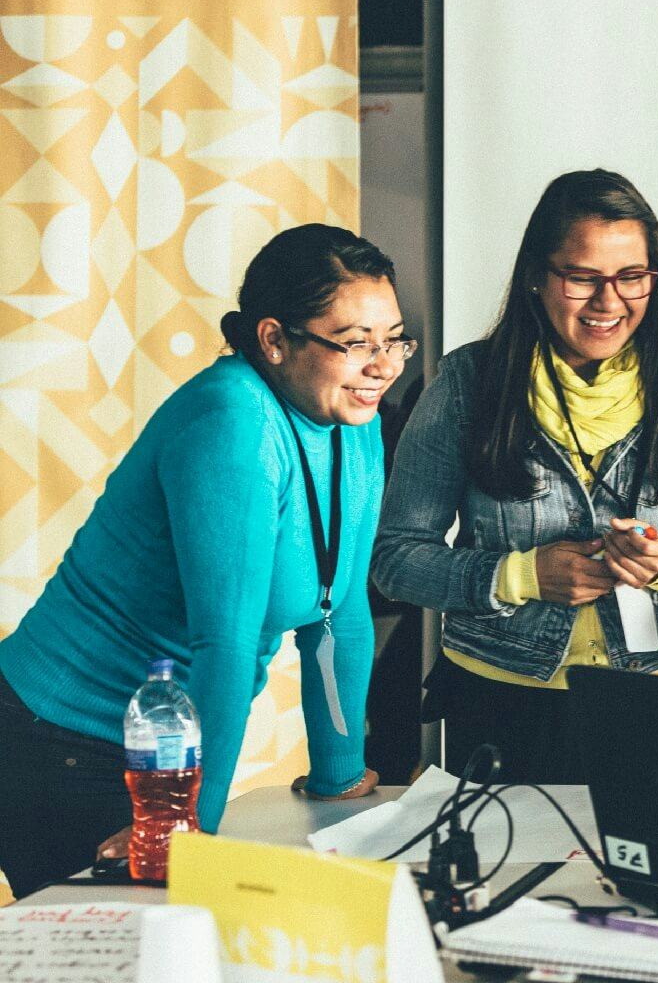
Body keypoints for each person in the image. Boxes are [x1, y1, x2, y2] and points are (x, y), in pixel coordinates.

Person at [0, 225, 400, 898]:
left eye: (393, 339)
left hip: (158, 749)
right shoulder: (231, 420)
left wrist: (339, 772)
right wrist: (186, 825)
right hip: (63, 743)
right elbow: (225, 643)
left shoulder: (350, 421)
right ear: (274, 340)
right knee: (130, 971)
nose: (383, 365)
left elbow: (338, 614)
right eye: (356, 342)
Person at [372, 169, 658, 783]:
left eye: (632, 277)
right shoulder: (469, 384)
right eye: (582, 277)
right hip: (500, 704)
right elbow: (394, 558)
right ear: (536, 277)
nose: (609, 302)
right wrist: (518, 575)